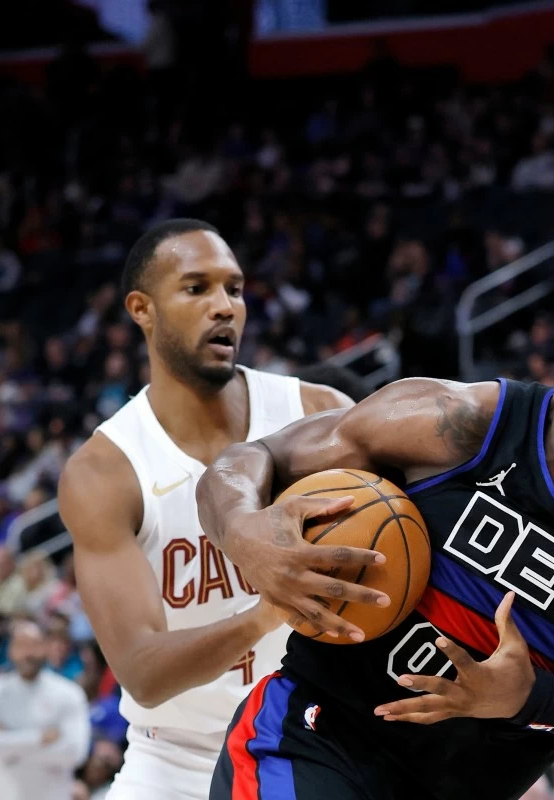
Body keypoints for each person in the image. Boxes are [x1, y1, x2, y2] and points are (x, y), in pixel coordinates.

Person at [196, 260, 554, 798]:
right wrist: (244, 530)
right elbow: (247, 460)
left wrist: (542, 699)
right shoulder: (458, 426)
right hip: (318, 735)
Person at [56, 219, 355, 800]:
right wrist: (268, 610)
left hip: (314, 740)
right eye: (197, 289)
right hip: (174, 757)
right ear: (142, 309)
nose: (224, 307)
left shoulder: (318, 414)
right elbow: (142, 672)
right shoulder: (106, 472)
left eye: (235, 290)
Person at [0, 621, 91, 800]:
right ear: (10, 650)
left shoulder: (69, 693)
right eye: (21, 646)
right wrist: (40, 738)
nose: (28, 653)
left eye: (34, 645)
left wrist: (7, 750)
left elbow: (74, 752)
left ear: (45, 647)